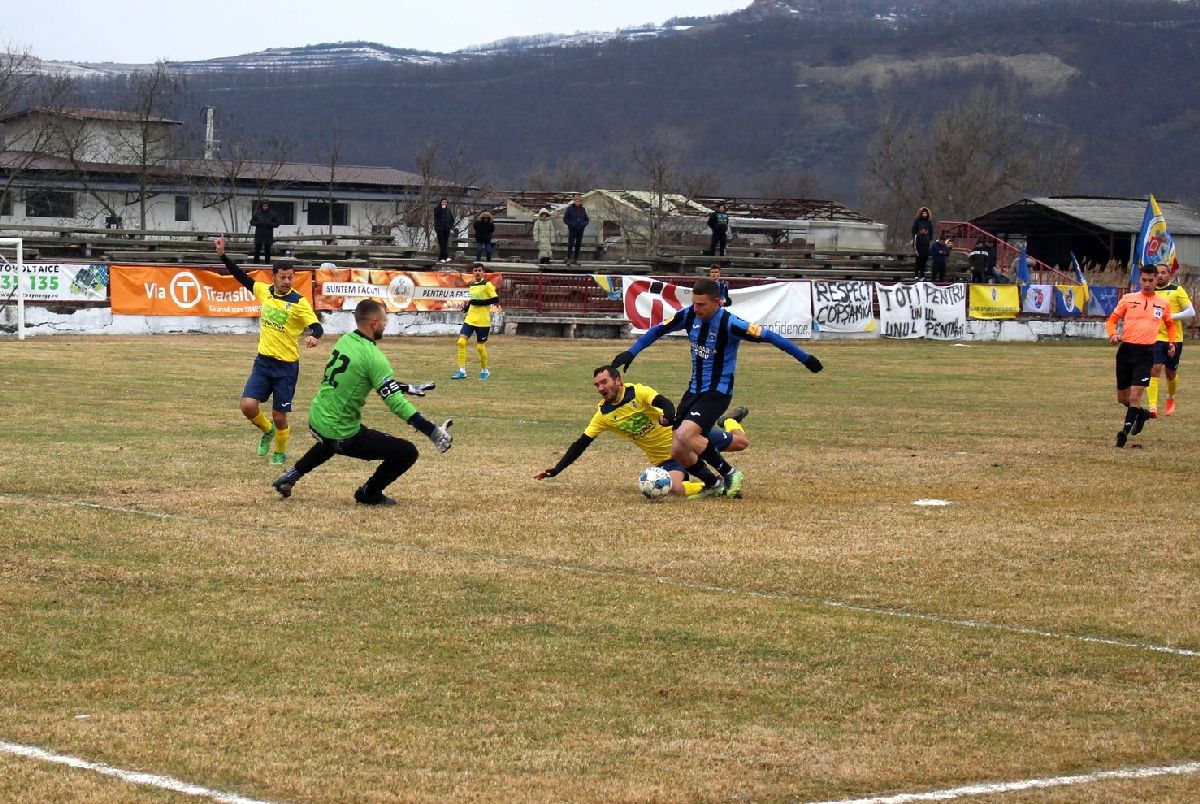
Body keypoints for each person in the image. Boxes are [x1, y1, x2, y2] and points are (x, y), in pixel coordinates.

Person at [611, 277, 824, 497]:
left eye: (701, 304)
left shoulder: (731, 324)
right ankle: (714, 485)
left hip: (717, 392)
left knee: (685, 435)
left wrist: (805, 358)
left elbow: (770, 336)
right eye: (694, 303)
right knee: (677, 449)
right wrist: (631, 352)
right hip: (694, 390)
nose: (696, 308)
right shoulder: (689, 315)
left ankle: (730, 473)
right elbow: (658, 330)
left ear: (717, 301)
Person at [272, 298, 452, 505]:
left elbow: (358, 376)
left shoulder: (346, 340)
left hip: (317, 418)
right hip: (339, 431)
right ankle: (368, 494)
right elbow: (395, 403)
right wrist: (431, 431)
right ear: (374, 323)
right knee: (406, 452)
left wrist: (406, 387)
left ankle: (291, 476)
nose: (385, 324)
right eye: (384, 321)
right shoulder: (373, 357)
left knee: (330, 441)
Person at [534, 366, 751, 498]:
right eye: (597, 385)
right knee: (674, 489)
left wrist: (668, 417)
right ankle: (715, 486)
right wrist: (556, 470)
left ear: (618, 381)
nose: (600, 388)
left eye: (604, 382)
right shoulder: (603, 415)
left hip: (685, 436)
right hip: (666, 460)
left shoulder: (638, 392)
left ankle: (729, 421)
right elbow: (581, 444)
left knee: (741, 443)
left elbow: (664, 402)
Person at [215, 234, 322, 466]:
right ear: (274, 277)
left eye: (290, 277)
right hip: (263, 362)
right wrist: (223, 256)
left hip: (286, 367)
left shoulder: (299, 302)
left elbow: (317, 326)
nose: (287, 281)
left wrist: (314, 336)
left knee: (279, 415)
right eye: (283, 277)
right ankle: (267, 430)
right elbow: (241, 277)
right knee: (248, 406)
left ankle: (280, 451)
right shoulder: (264, 291)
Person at [1106, 265, 1177, 447]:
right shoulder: (1128, 299)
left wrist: (1172, 342)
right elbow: (1112, 320)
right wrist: (1113, 335)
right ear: (1140, 279)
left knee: (1135, 395)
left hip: (1146, 353)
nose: (1147, 284)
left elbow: (1170, 324)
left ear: (1156, 280)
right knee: (1123, 398)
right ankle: (1141, 414)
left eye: (1150, 280)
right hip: (1126, 351)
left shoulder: (1163, 303)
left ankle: (1123, 434)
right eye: (1144, 280)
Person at [1147, 262, 1195, 417]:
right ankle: (1152, 407)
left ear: (1170, 274)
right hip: (1155, 337)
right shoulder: (1149, 291)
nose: (1160, 275)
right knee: (1154, 369)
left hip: (1174, 338)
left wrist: (1171, 316)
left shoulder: (1176, 290)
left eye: (1163, 272)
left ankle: (1171, 397)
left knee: (1170, 373)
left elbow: (1191, 312)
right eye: (1157, 273)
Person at [452, 262, 499, 381]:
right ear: (472, 272)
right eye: (475, 270)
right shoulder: (472, 284)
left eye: (479, 270)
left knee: (480, 347)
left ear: (483, 272)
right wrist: (467, 307)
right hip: (470, 319)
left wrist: (477, 303)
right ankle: (462, 370)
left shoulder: (487, 284)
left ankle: (485, 371)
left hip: (483, 321)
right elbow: (473, 299)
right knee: (461, 342)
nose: (477, 272)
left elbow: (495, 299)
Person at [249, 200, 280, 264]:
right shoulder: (257, 213)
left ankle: (267, 264)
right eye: (264, 206)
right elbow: (252, 222)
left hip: (268, 235)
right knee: (257, 251)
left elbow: (277, 223)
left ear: (268, 206)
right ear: (261, 206)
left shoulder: (273, 214)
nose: (265, 207)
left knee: (267, 251)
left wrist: (270, 224)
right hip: (259, 235)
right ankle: (255, 264)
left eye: (266, 206)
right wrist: (258, 223)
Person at [563, 194, 589, 265]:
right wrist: (571, 224)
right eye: (576, 201)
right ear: (574, 201)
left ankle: (575, 259)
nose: (577, 202)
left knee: (578, 244)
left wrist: (583, 224)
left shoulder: (583, 209)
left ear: (581, 202)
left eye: (579, 201)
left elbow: (587, 220)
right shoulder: (570, 209)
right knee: (570, 244)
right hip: (572, 229)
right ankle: (569, 258)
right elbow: (565, 219)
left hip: (580, 230)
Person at [911, 206, 934, 280]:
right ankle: (916, 275)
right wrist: (915, 237)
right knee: (918, 261)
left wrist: (930, 239)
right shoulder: (917, 221)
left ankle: (922, 275)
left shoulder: (929, 222)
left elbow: (931, 231)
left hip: (926, 241)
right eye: (923, 213)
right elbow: (914, 230)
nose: (924, 214)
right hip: (919, 241)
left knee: (924, 262)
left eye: (925, 213)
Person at [433, 198, 455, 263]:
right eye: (443, 202)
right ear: (440, 203)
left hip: (446, 229)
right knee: (441, 243)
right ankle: (444, 256)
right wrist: (442, 209)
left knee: (445, 243)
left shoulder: (448, 210)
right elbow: (437, 215)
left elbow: (452, 219)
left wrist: (450, 227)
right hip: (439, 229)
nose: (444, 203)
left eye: (445, 202)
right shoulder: (437, 209)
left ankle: (442, 257)